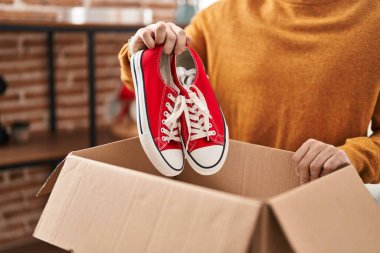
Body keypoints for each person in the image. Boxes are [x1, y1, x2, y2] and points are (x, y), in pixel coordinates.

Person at [118, 0, 380, 184]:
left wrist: (354, 156)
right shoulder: (218, 17)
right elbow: (151, 86)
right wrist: (143, 52)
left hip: (319, 198)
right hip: (226, 189)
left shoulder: (374, 19)